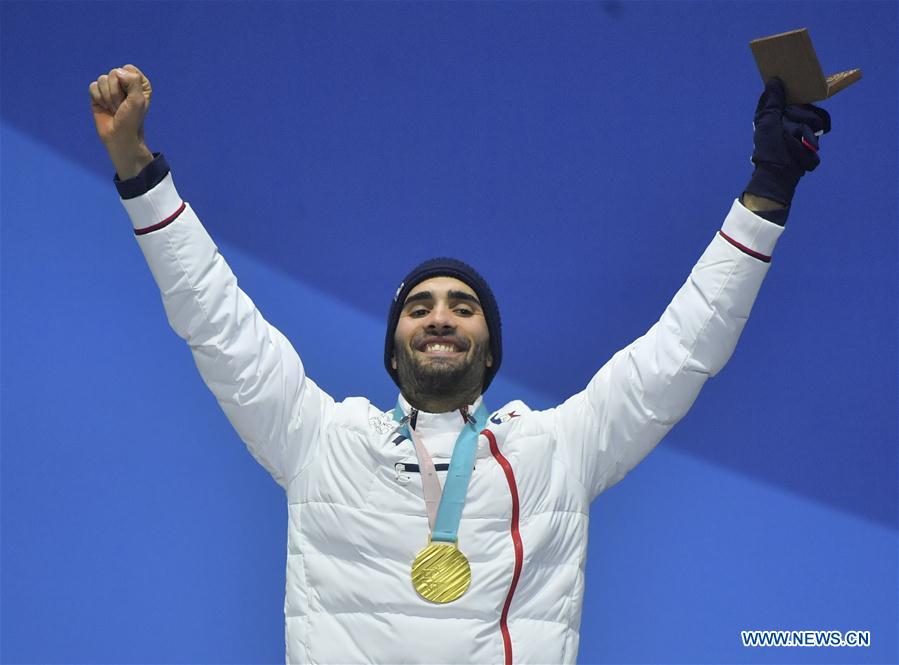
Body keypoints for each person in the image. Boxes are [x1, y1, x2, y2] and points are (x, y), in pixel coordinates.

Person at [90, 64, 831, 664]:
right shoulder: (320, 440)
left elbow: (684, 348)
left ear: (490, 349)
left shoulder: (556, 450)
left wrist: (768, 188)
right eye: (418, 308)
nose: (439, 317)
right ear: (392, 349)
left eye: (462, 306)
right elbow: (217, 322)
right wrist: (137, 169)